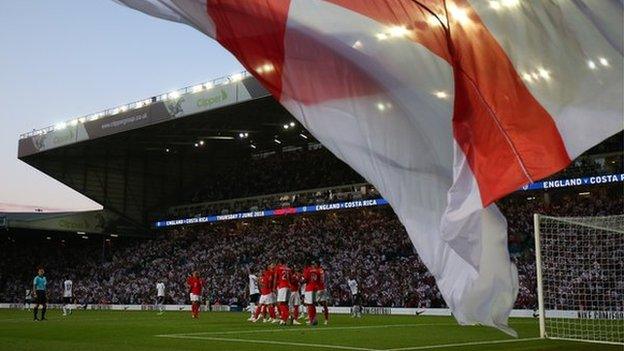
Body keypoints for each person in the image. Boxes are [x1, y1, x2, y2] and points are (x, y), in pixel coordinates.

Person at [273, 259, 292, 325]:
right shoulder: (288, 269)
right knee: (285, 303)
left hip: (282, 286)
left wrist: (274, 287)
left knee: (280, 303)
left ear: (280, 262)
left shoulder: (278, 268)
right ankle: (285, 318)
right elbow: (290, 279)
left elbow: (275, 278)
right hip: (289, 287)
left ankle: (286, 317)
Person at [303, 261, 319, 326]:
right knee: (313, 304)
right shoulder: (316, 271)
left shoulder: (307, 270)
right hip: (315, 288)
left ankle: (311, 320)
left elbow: (305, 279)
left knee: (309, 305)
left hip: (309, 288)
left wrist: (301, 281)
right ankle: (315, 319)